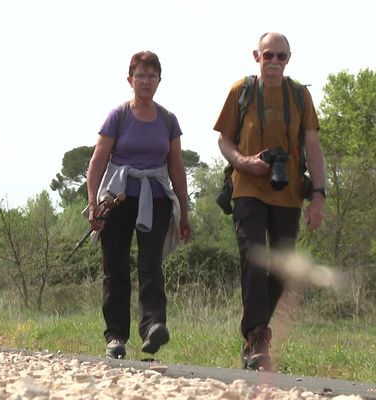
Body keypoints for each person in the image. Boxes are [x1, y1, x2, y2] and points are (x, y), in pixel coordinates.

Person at [214, 32, 326, 370]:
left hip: (288, 190)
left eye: (281, 56)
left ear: (288, 59)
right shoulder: (241, 91)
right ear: (256, 56)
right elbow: (224, 140)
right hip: (247, 186)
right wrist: (245, 162)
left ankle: (253, 332)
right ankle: (259, 335)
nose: (274, 62)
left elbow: (312, 145)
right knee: (254, 258)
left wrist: (319, 194)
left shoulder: (299, 95)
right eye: (268, 55)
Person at [86, 51, 191, 359]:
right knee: (115, 267)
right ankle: (116, 336)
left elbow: (176, 168)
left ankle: (153, 326)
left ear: (160, 80)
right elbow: (97, 162)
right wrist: (93, 203)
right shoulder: (118, 116)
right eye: (140, 76)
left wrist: (184, 211)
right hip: (117, 199)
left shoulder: (168, 120)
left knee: (151, 266)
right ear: (130, 80)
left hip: (155, 198)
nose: (146, 81)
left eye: (152, 76)